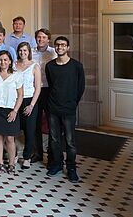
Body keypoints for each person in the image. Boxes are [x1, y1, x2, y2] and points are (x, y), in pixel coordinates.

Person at [45, 36, 85, 183]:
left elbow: (81, 87)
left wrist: (73, 103)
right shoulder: (50, 66)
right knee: (54, 139)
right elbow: (51, 85)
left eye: (63, 45)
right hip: (53, 108)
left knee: (70, 141)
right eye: (57, 45)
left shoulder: (76, 66)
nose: (60, 47)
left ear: (68, 47)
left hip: (69, 108)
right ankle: (57, 164)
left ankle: (72, 168)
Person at [0, 50, 24, 175]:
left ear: (10, 61)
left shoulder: (17, 75)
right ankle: (0, 163)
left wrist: (15, 111)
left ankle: (11, 164)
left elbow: (20, 95)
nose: (3, 62)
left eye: (5, 59)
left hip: (10, 109)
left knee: (10, 138)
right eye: (0, 60)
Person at [31, 28, 57, 163]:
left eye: (43, 37)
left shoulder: (54, 53)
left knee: (52, 122)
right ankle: (38, 153)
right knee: (35, 122)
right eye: (39, 37)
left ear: (48, 39)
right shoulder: (31, 52)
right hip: (35, 90)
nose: (41, 40)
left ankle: (52, 154)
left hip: (49, 90)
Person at [14, 42, 41, 169]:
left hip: (30, 100)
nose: (22, 53)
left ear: (28, 52)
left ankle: (26, 157)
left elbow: (38, 88)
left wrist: (31, 105)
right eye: (20, 50)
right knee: (13, 129)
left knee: (29, 131)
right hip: (15, 100)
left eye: (25, 50)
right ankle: (13, 154)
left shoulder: (35, 66)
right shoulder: (14, 64)